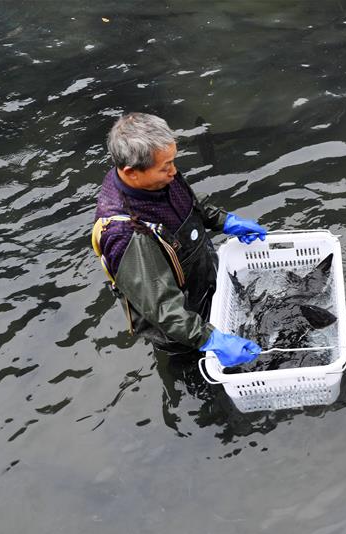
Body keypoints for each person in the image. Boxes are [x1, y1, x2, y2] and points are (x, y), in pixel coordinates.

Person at [91, 112, 265, 366]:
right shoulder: (124, 233)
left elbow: (189, 203)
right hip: (178, 323)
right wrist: (208, 339)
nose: (174, 171)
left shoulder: (157, 176)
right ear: (132, 172)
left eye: (173, 161)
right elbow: (163, 309)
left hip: (202, 284)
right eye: (166, 167)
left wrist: (222, 221)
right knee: (194, 368)